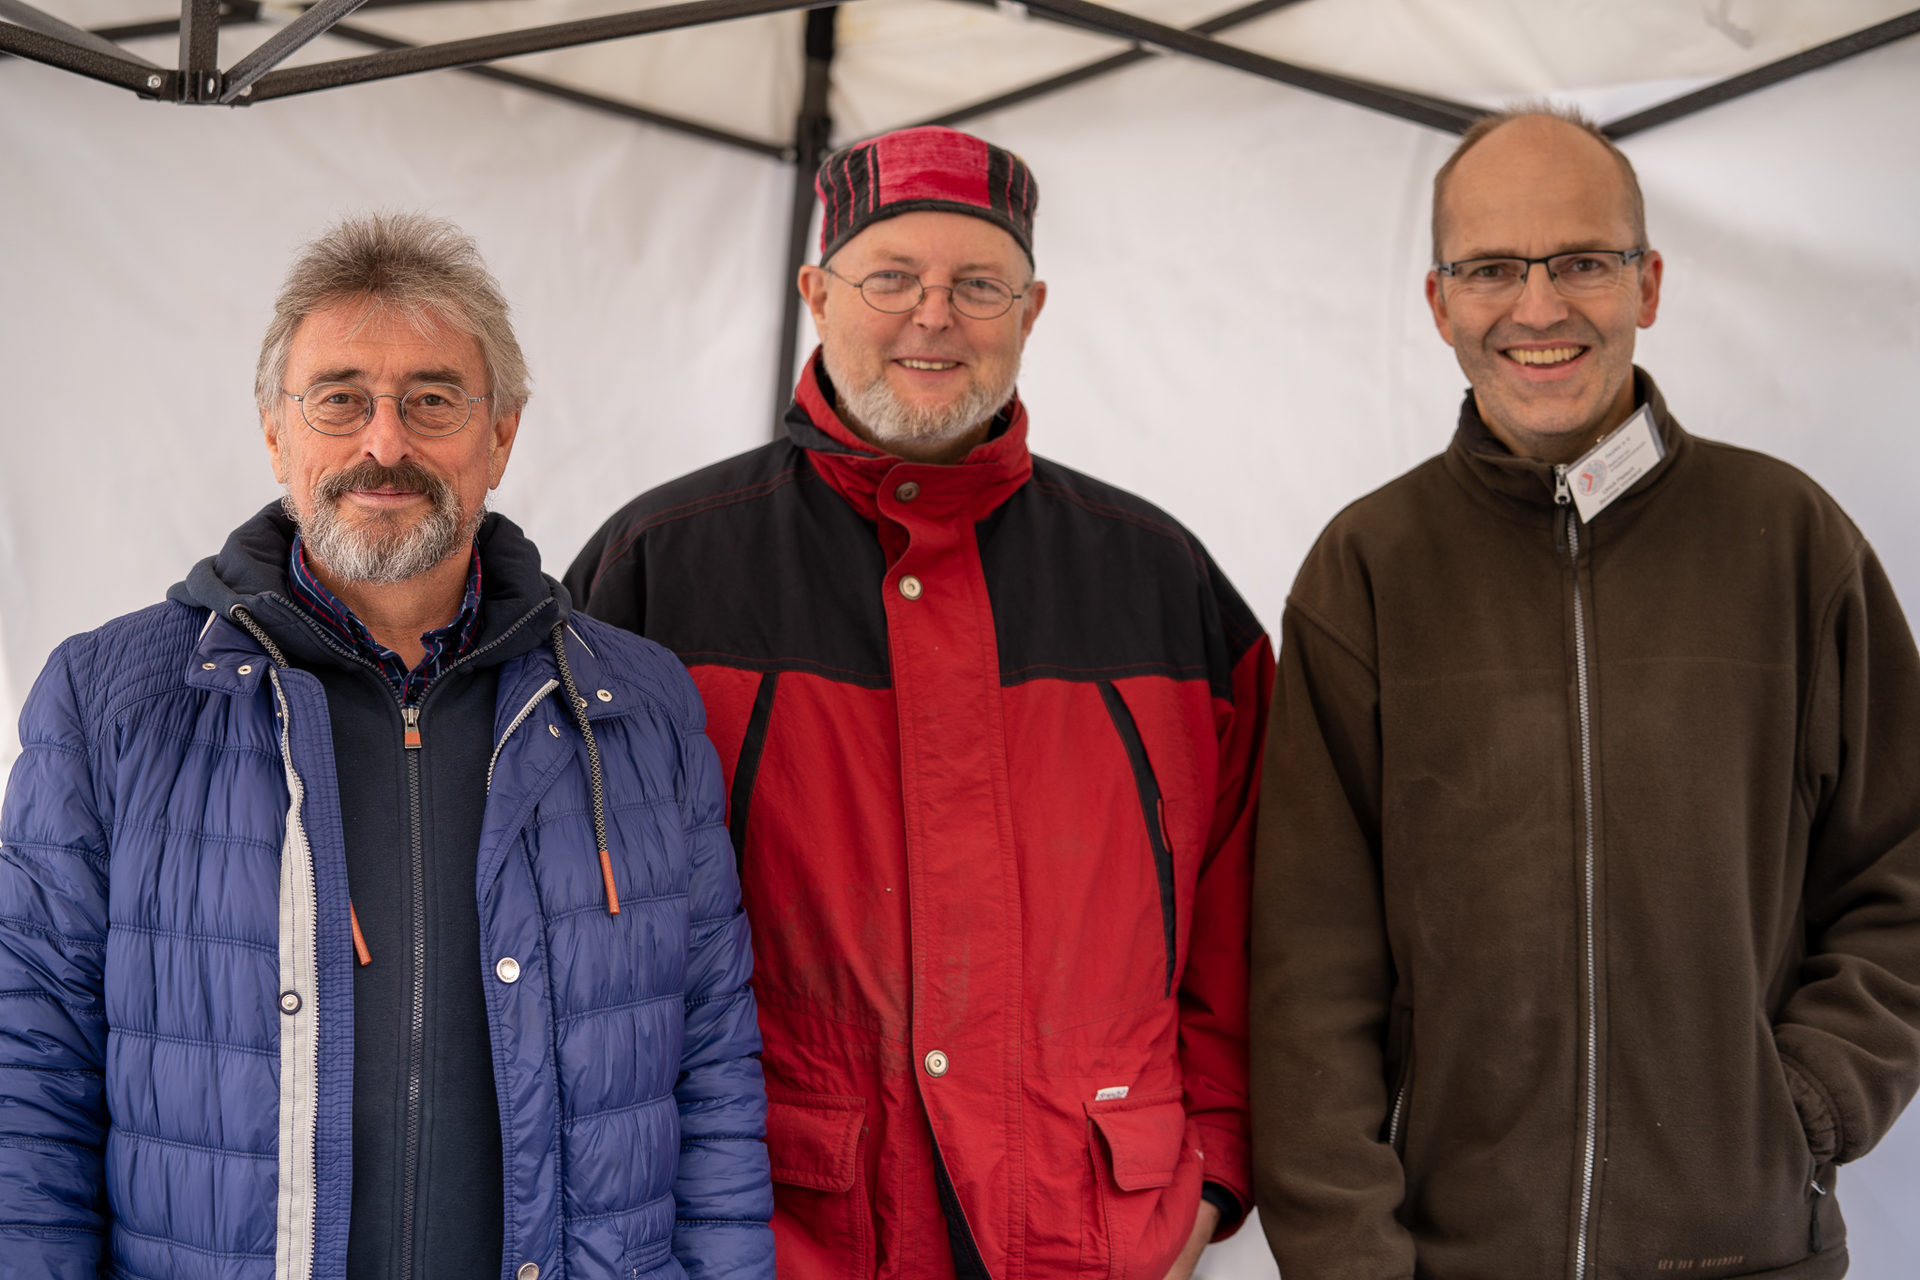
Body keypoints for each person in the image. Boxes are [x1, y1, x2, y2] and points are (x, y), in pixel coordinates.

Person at [0, 212, 773, 1280]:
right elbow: (27, 1067)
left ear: (502, 436)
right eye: (340, 398)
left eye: (433, 400)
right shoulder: (113, 699)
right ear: (276, 433)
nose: (385, 443)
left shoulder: (635, 704)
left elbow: (713, 1066)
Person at [567, 125, 1272, 1280]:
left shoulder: (1161, 579)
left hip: (1095, 1228)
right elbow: (574, 933)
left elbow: (1251, 918)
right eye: (891, 277)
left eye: (978, 285)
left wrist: (1215, 1167)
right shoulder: (660, 569)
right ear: (816, 295)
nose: (933, 316)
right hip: (779, 1232)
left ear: (1032, 310)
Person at [1251, 105, 1920, 1279]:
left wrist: (1807, 1103)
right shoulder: (1368, 571)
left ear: (1647, 284)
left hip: (1750, 1255)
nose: (1539, 306)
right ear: (1439, 303)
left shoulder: (1791, 542)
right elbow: (1310, 968)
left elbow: (1903, 866)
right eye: (1491, 269)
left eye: (1582, 261)